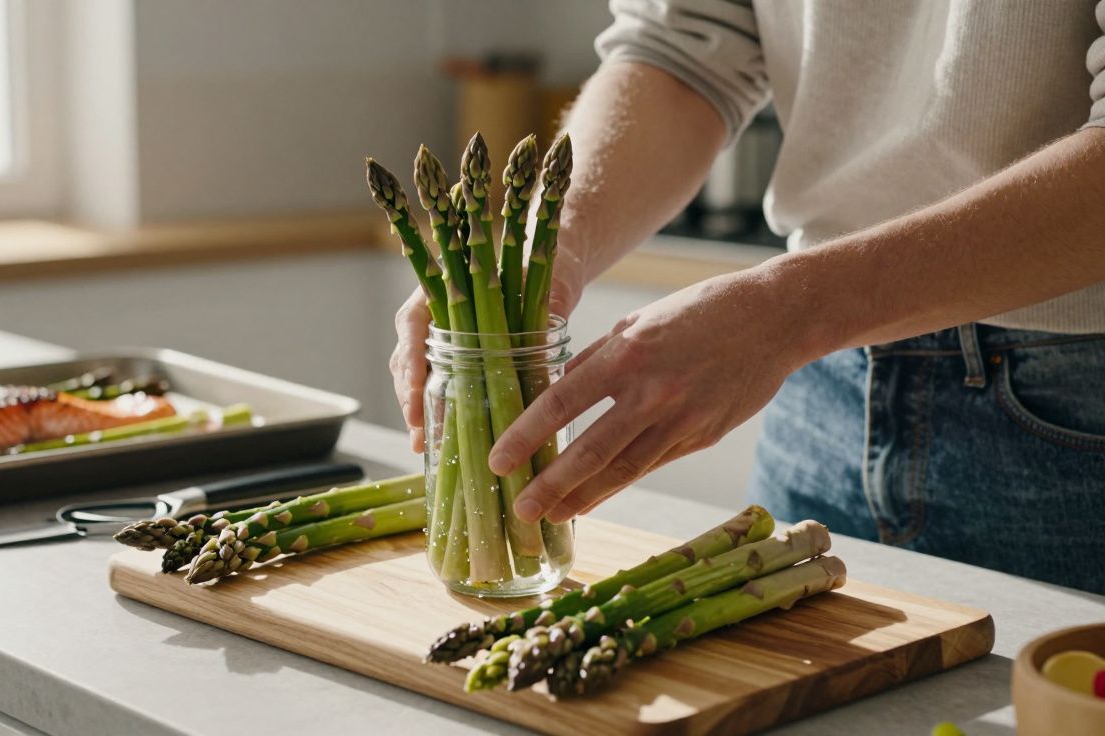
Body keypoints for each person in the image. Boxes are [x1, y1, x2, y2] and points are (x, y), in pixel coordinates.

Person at [390, 1, 1105, 594]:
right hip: (819, 394)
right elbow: (682, 48)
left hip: (1072, 413)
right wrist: (549, 246)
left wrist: (784, 313)